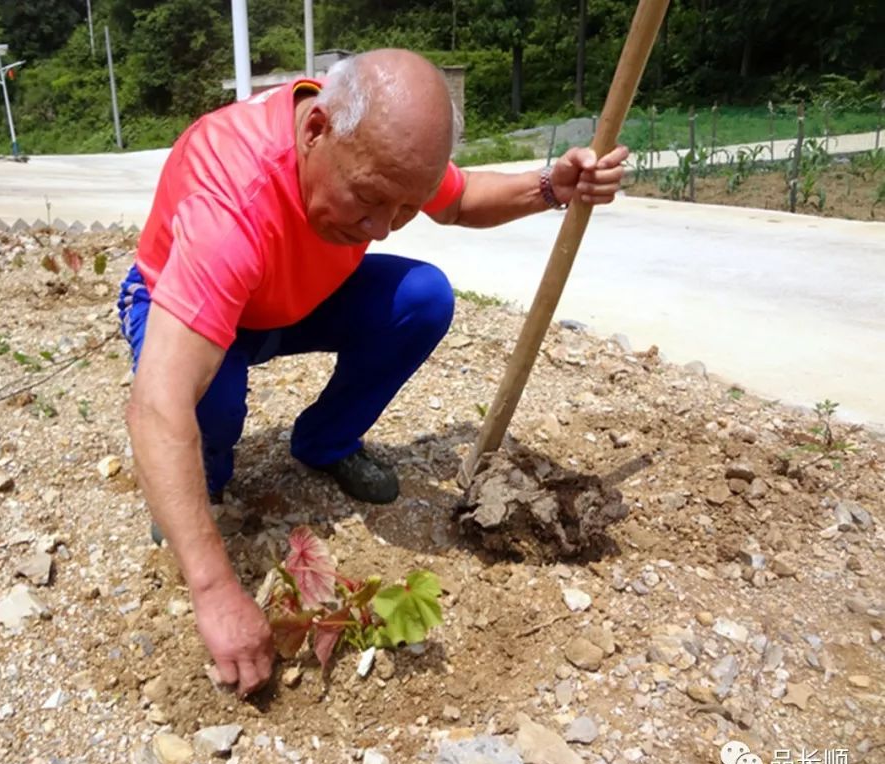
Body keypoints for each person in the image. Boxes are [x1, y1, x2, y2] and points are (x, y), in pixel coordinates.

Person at [119, 49, 628, 697]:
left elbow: (462, 195)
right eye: (370, 201)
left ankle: (324, 443)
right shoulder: (229, 205)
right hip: (185, 301)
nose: (383, 230)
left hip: (295, 293)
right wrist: (216, 589)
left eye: (404, 209)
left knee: (419, 298)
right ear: (315, 131)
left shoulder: (379, 149)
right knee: (202, 408)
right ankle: (207, 480)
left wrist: (552, 187)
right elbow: (156, 403)